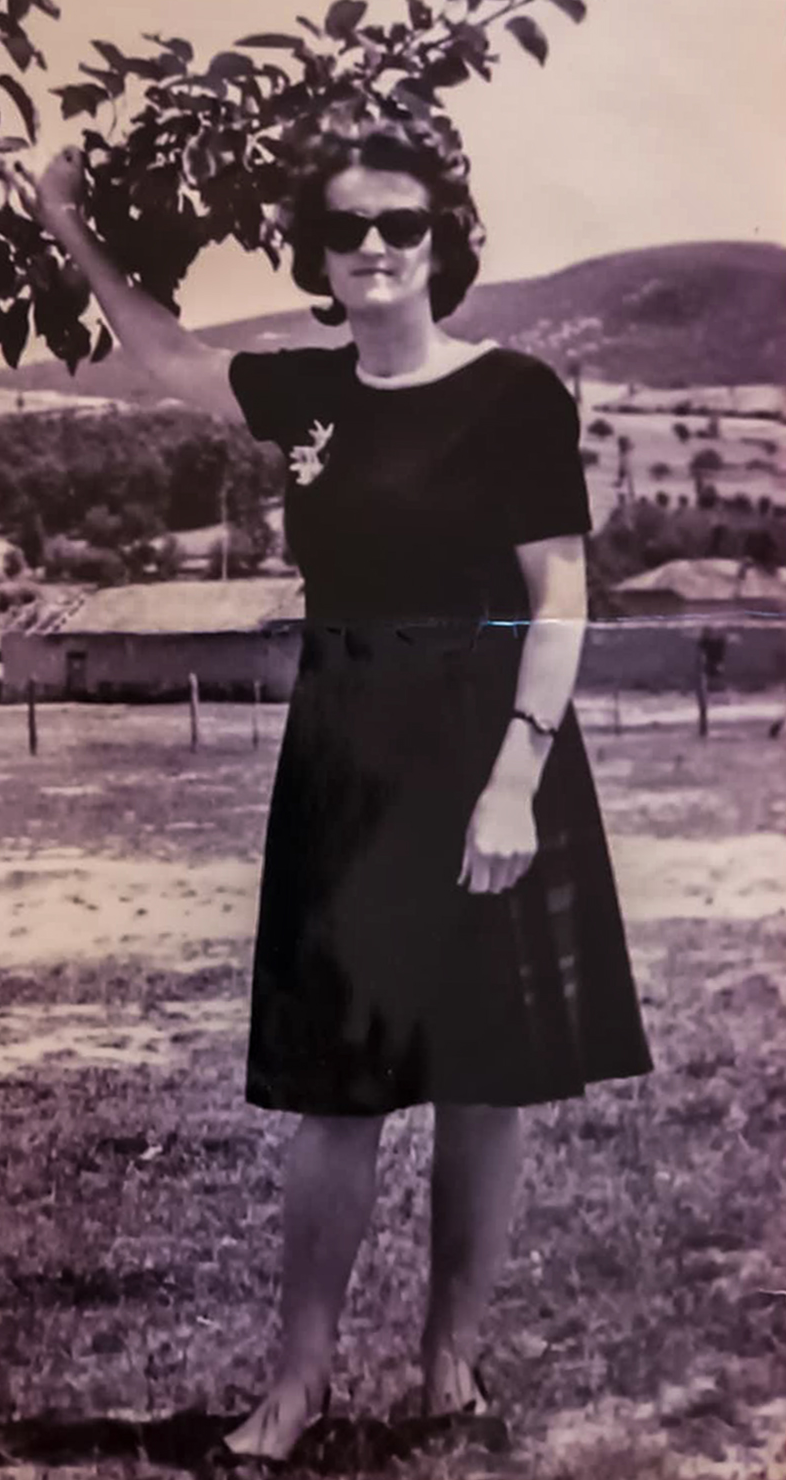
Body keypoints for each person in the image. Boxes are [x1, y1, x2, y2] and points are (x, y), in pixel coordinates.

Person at [35, 109, 653, 1461]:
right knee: (338, 1084)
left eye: (399, 222)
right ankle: (297, 1380)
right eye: (344, 226)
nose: (372, 245)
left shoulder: (514, 395)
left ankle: (448, 1362)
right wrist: (68, 222)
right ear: (313, 252)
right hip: (347, 752)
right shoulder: (307, 394)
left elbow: (556, 592)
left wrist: (514, 775)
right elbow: (167, 358)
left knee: (482, 1073)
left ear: (441, 241)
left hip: (493, 744)